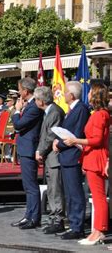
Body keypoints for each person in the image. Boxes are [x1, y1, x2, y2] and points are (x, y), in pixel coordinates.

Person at [62, 83, 109, 245]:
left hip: (96, 157)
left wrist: (75, 140)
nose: (87, 95)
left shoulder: (99, 115)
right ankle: (96, 230)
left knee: (98, 196)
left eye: (90, 92)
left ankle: (100, 230)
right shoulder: (97, 114)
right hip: (91, 156)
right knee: (96, 197)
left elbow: (96, 139)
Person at [52, 81, 90, 240]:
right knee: (69, 193)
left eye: (65, 91)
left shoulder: (80, 109)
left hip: (73, 155)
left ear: (72, 95)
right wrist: (56, 140)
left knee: (75, 193)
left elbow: (75, 133)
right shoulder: (72, 110)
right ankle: (73, 223)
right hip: (67, 156)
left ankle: (77, 226)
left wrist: (59, 143)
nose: (63, 94)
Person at [10, 78, 44, 230]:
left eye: (19, 89)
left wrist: (17, 110)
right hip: (25, 148)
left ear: (25, 91)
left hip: (29, 149)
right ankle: (28, 215)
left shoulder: (33, 107)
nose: (19, 93)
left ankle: (34, 217)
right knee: (27, 185)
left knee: (31, 185)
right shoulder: (29, 105)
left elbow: (18, 124)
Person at [34, 86, 66, 234]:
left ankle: (58, 219)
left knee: (56, 189)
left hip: (54, 157)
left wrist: (40, 151)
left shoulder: (54, 112)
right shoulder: (48, 112)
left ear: (41, 101)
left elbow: (50, 136)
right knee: (52, 189)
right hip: (49, 157)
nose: (35, 102)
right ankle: (53, 217)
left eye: (36, 99)